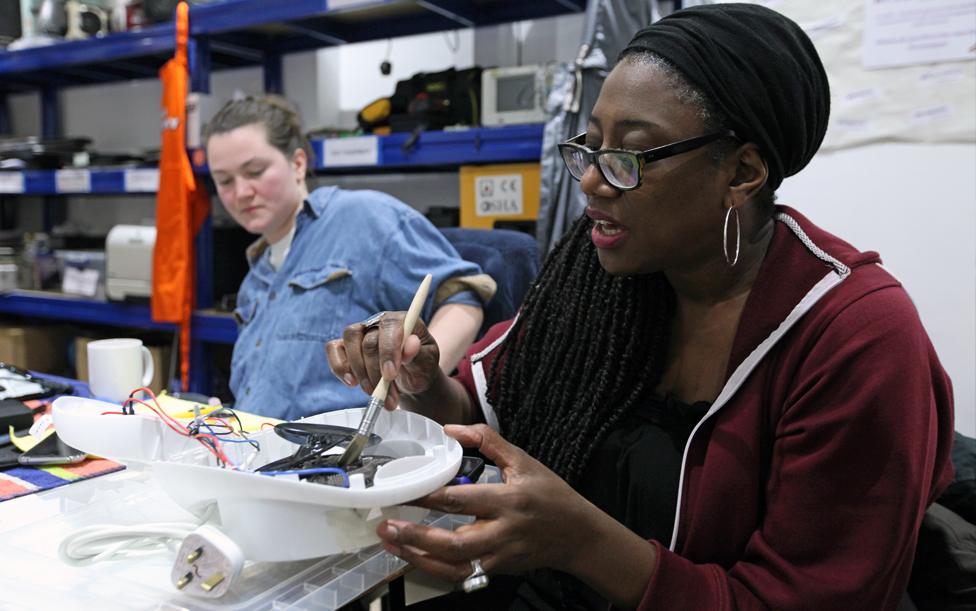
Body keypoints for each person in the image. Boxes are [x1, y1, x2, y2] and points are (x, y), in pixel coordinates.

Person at [326, 4, 955, 610]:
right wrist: (425, 381)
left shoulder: (856, 338)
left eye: (630, 155)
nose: (594, 180)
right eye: (590, 146)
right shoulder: (604, 270)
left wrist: (582, 541)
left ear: (742, 172)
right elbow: (493, 407)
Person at [204, 96, 495, 421]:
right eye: (225, 181)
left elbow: (463, 297)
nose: (241, 192)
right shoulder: (255, 278)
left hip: (339, 459)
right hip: (258, 453)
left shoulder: (362, 217)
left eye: (255, 171)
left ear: (298, 163)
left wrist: (417, 388)